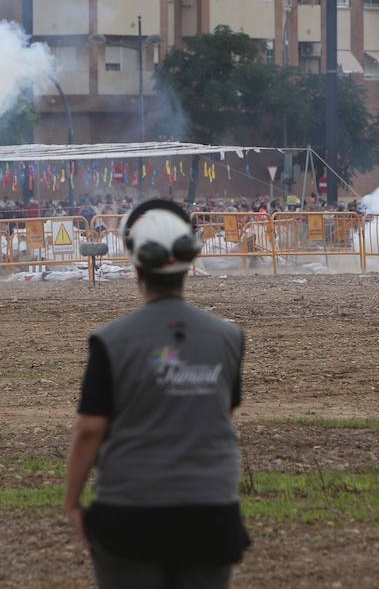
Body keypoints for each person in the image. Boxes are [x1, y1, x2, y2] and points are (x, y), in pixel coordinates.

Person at [64, 199, 250, 588]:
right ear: (189, 261)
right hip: (211, 515)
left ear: (135, 266)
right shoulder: (229, 337)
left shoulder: (110, 342)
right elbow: (221, 413)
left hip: (130, 517)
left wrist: (72, 502)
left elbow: (89, 429)